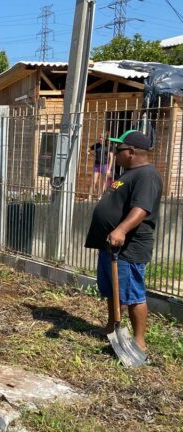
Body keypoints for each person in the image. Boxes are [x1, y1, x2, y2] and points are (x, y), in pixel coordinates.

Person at [84, 130, 161, 353]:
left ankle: (139, 341)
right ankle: (112, 327)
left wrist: (120, 229)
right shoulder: (128, 173)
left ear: (131, 151)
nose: (113, 154)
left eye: (117, 150)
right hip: (112, 245)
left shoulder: (146, 175)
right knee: (111, 290)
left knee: (133, 294)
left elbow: (141, 209)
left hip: (129, 247)